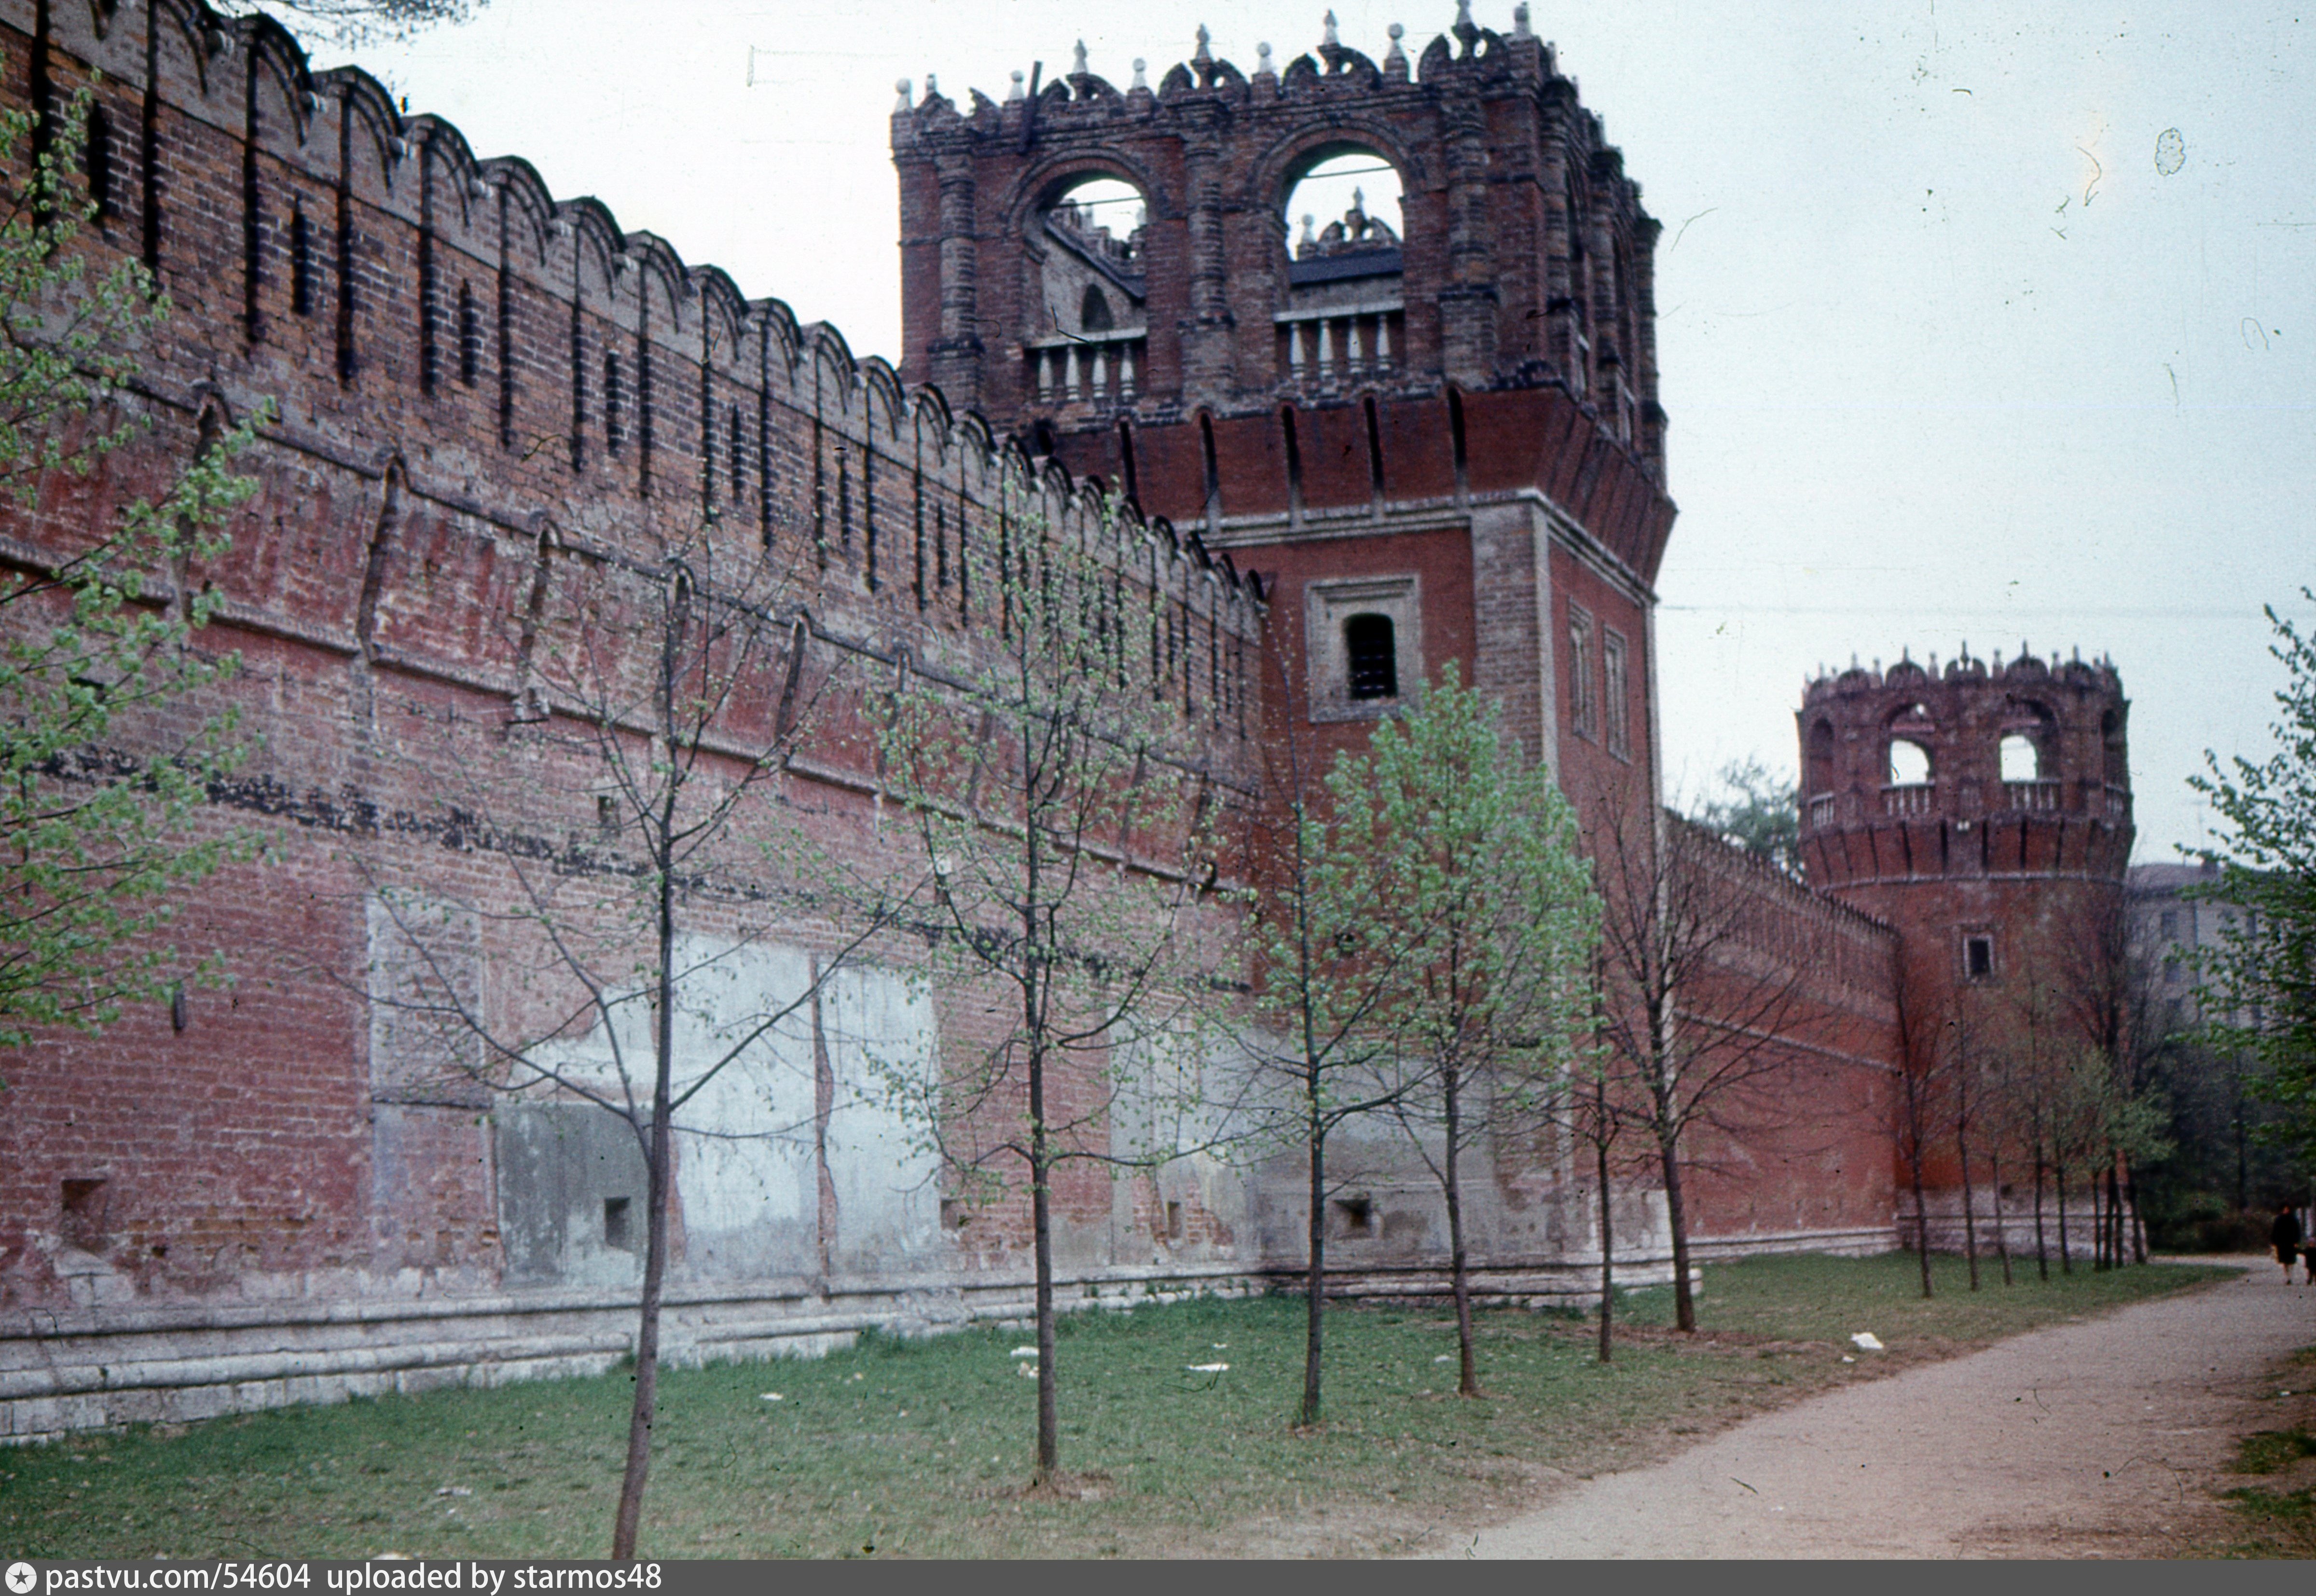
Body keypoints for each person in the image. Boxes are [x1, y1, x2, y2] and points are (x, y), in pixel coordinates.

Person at [2272, 1204, 2304, 1283]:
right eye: (2285, 1209)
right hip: (2282, 1243)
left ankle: (2290, 1276)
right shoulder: (2279, 1219)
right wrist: (2274, 1242)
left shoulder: (2294, 1219)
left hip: (2291, 1242)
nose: (2286, 1211)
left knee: (2291, 1260)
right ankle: (2287, 1277)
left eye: (2287, 1209)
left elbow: (2297, 1231)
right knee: (2284, 1261)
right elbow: (2275, 1231)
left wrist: (2297, 1241)